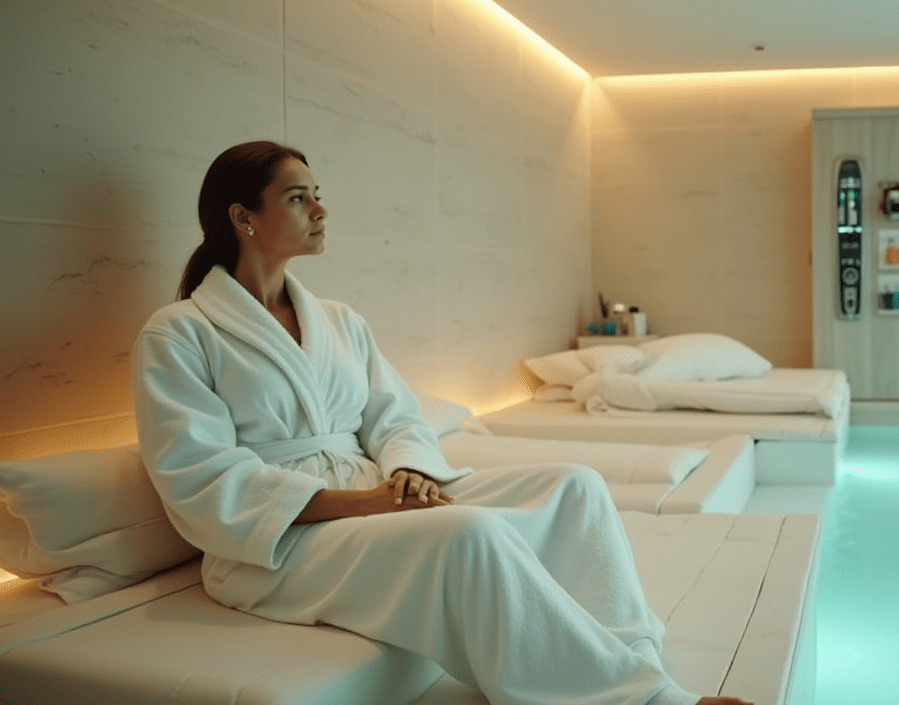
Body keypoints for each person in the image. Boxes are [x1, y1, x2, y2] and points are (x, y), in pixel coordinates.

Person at [132, 140, 752, 705]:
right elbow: (200, 476)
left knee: (576, 486)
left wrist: (406, 473)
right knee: (467, 534)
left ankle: (631, 663)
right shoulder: (179, 332)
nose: (321, 210)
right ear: (244, 217)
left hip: (375, 493)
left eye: (318, 195)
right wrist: (363, 504)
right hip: (273, 546)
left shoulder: (340, 320)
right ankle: (644, 704)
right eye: (299, 198)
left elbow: (391, 413)